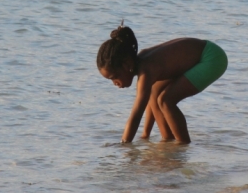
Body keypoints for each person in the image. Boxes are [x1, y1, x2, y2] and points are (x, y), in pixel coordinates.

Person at [97, 23, 227, 144]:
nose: (115, 83)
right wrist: (145, 134)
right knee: (155, 92)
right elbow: (149, 98)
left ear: (127, 65)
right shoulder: (142, 64)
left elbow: (136, 115)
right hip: (204, 54)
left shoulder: (147, 70)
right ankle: (168, 140)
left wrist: (124, 144)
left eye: (114, 77)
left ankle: (182, 146)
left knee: (166, 100)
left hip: (211, 58)